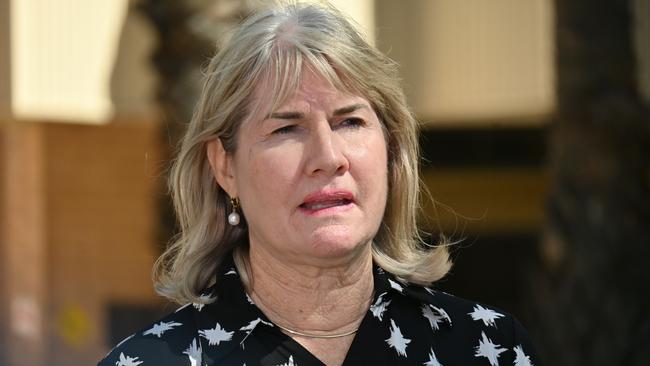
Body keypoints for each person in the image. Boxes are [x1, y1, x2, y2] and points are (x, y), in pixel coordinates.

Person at [99, 2, 540, 365]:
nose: (328, 158)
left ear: (390, 148)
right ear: (224, 166)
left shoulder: (488, 349)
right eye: (286, 129)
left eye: (350, 121)